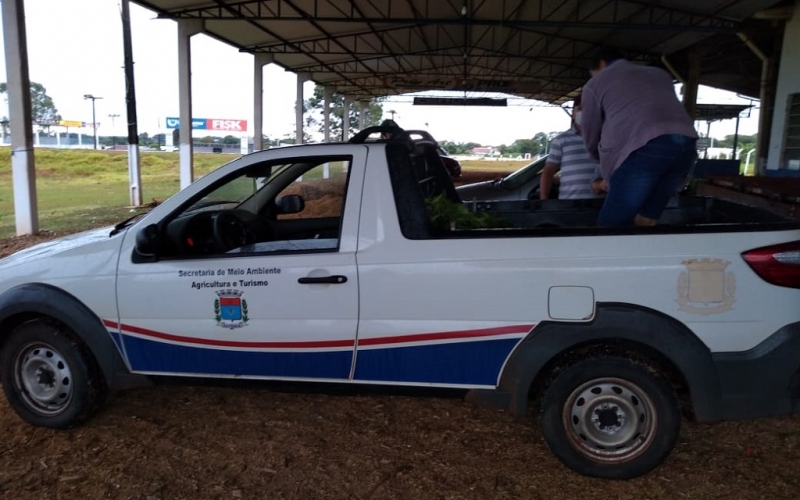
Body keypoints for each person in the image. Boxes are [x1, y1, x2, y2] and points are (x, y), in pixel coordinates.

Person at [581, 47, 698, 227]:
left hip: (645, 149)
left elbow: (590, 130)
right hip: (686, 147)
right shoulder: (660, 74)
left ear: (602, 64)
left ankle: (610, 253)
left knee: (611, 226)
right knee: (646, 218)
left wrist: (595, 155)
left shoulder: (596, 83)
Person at [540, 95, 603, 201]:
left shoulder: (606, 138)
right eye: (580, 109)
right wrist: (543, 200)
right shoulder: (561, 140)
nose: (585, 112)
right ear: (573, 113)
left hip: (601, 204)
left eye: (589, 109)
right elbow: (549, 171)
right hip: (569, 204)